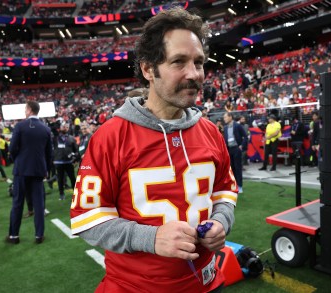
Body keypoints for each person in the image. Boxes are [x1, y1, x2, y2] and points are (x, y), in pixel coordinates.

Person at [70, 7, 238, 293]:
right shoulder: (110, 137)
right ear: (148, 69)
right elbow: (87, 219)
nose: (194, 74)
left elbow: (224, 192)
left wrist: (221, 221)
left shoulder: (211, 131)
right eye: (179, 62)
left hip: (208, 283)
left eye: (199, 62)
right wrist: (150, 237)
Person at [7, 101, 52, 244]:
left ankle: (14, 236)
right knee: (39, 204)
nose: (24, 111)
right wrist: (46, 170)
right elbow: (49, 153)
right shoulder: (45, 129)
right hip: (39, 170)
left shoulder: (20, 126)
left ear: (29, 109)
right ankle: (39, 235)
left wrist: (18, 161)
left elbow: (12, 148)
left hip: (21, 170)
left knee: (17, 202)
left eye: (25, 108)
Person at [223, 112, 247, 193]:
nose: (224, 119)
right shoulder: (225, 127)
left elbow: (245, 136)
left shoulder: (237, 126)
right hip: (229, 149)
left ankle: (240, 186)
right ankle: (233, 185)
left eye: (225, 117)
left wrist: (241, 146)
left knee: (238, 168)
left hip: (236, 148)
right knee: (231, 168)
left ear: (230, 117)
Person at [52, 123, 77, 200]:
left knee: (72, 178)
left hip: (69, 162)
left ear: (68, 128)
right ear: (60, 128)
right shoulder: (55, 138)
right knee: (60, 179)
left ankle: (76, 193)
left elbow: (75, 150)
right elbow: (52, 128)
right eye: (63, 126)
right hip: (58, 162)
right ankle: (61, 194)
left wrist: (75, 159)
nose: (65, 128)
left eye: (67, 127)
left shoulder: (71, 138)